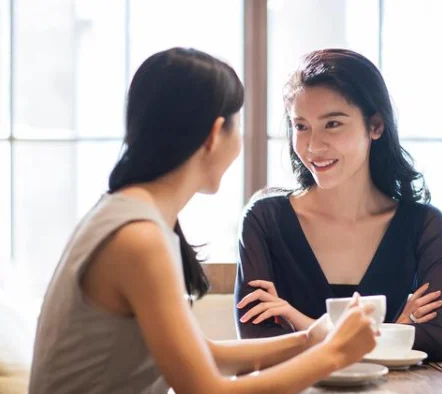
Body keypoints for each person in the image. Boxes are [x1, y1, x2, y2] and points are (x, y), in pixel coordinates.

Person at [28, 47, 378, 394]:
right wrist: (333, 354)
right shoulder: (139, 238)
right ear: (214, 134)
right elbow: (206, 390)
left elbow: (203, 354)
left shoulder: (128, 212)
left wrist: (308, 340)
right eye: (238, 126)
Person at [235, 48, 442, 362]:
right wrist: (397, 328)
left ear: (375, 126)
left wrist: (298, 321)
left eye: (332, 124)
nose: (313, 146)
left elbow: (438, 341)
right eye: (300, 126)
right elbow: (257, 341)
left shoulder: (422, 225)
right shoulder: (264, 220)